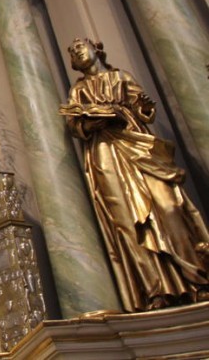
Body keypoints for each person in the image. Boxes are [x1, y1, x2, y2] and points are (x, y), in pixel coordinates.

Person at [61, 38, 209, 311]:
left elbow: (143, 109)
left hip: (138, 146)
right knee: (126, 222)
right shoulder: (78, 91)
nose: (76, 51)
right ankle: (155, 291)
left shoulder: (121, 78)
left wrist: (137, 109)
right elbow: (74, 125)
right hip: (104, 153)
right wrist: (91, 122)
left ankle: (197, 279)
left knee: (169, 208)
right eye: (72, 51)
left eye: (80, 46)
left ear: (96, 49)